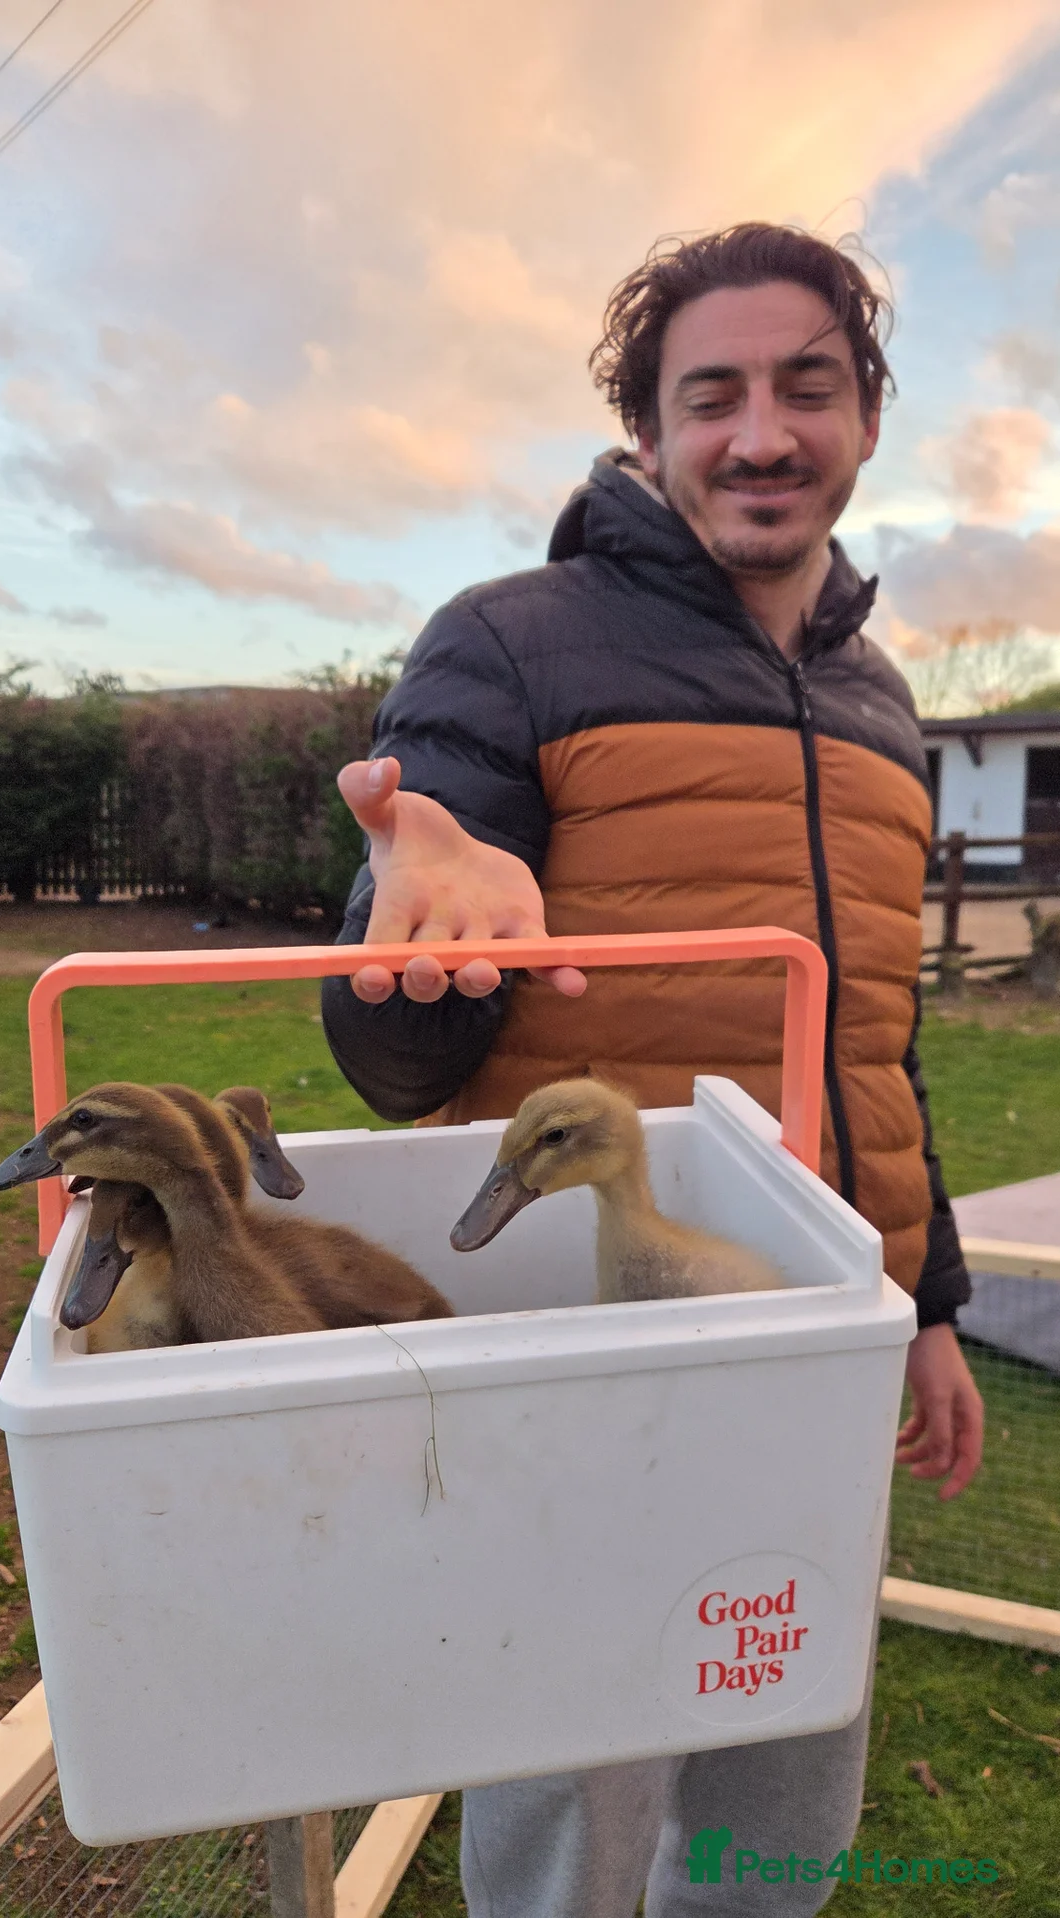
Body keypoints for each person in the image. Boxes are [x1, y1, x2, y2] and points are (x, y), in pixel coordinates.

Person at [321, 224, 983, 1916]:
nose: (762, 433)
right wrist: (417, 926)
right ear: (646, 431)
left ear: (865, 418)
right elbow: (391, 1055)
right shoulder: (509, 642)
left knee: (787, 1763)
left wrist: (925, 1305)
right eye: (713, 396)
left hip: (815, 1348)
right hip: (585, 1363)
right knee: (577, 1802)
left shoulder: (884, 703)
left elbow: (879, 1043)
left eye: (806, 386)